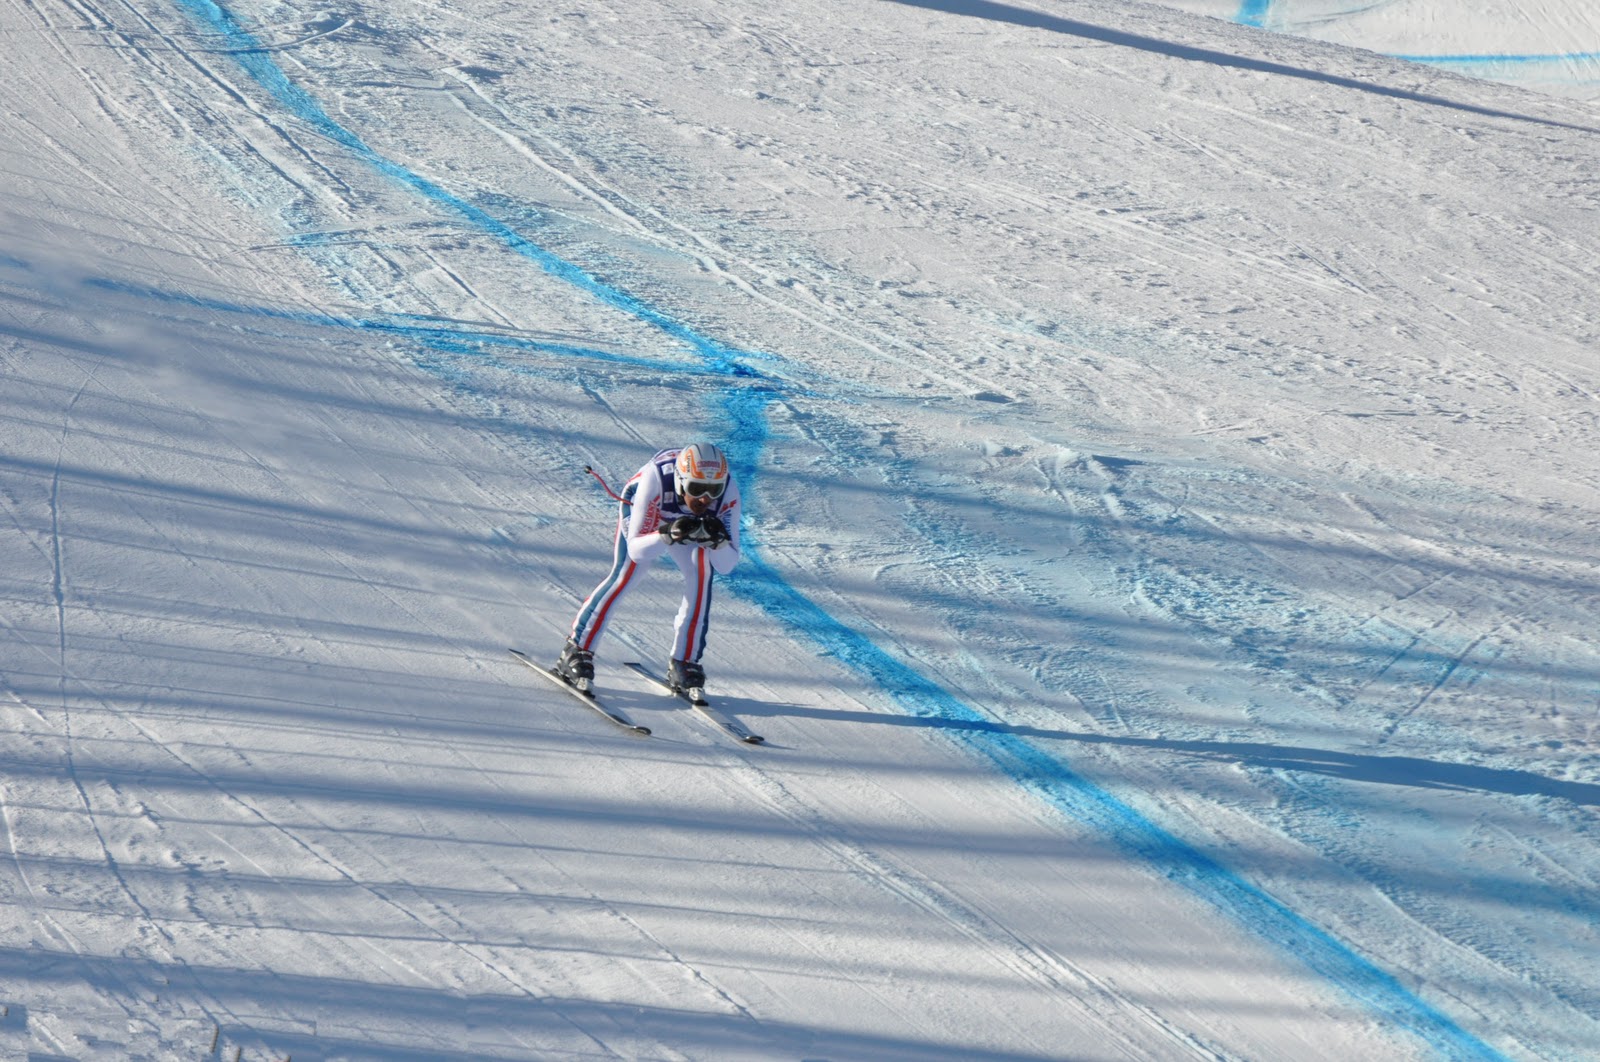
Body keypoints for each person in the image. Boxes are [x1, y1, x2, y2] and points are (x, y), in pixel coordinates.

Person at [555, 442, 741, 695]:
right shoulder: (655, 479)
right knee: (628, 572)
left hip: (684, 520)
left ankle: (685, 661)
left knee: (702, 575)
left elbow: (727, 565)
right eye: (697, 489)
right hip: (650, 506)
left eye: (713, 490)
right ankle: (577, 648)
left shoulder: (728, 492)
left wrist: (719, 543)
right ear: (680, 482)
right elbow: (637, 551)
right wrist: (666, 534)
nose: (705, 499)